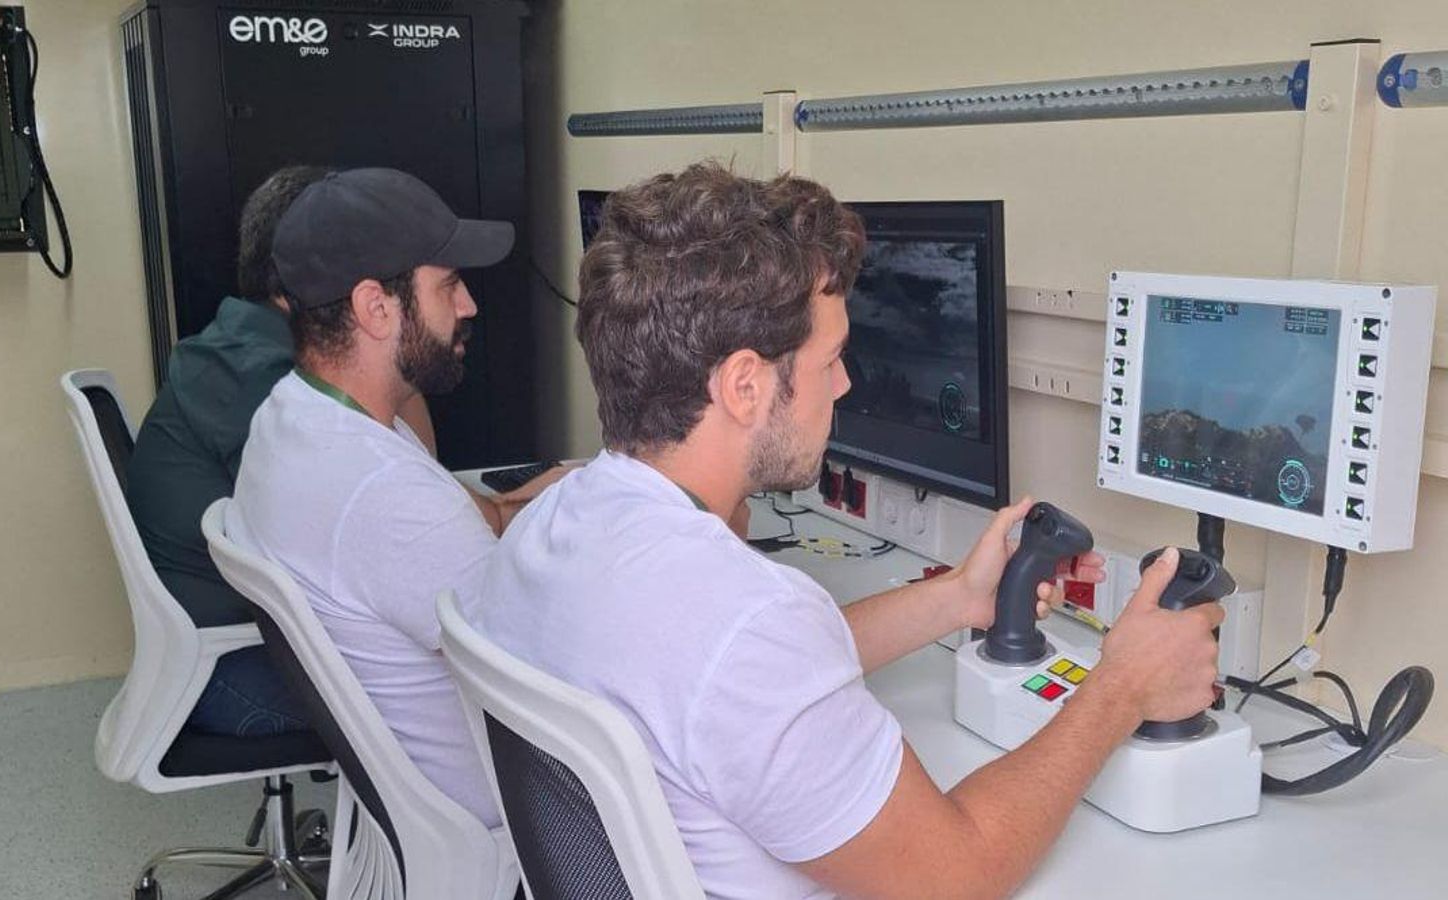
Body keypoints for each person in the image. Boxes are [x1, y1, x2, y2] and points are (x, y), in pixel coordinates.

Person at [468, 162, 1224, 898]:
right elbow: (960, 873)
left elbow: (720, 683)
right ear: (743, 385)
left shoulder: (553, 524)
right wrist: (1122, 687)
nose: (845, 383)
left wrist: (959, 598)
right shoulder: (747, 625)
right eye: (830, 359)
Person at [225, 168, 566, 825]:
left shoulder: (289, 417)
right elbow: (555, 667)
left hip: (409, 787)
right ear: (375, 308)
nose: (468, 307)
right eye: (449, 285)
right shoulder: (380, 489)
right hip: (516, 800)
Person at [125, 165, 437, 737]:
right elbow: (407, 500)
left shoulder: (234, 344)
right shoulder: (268, 385)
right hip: (230, 668)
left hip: (211, 646)